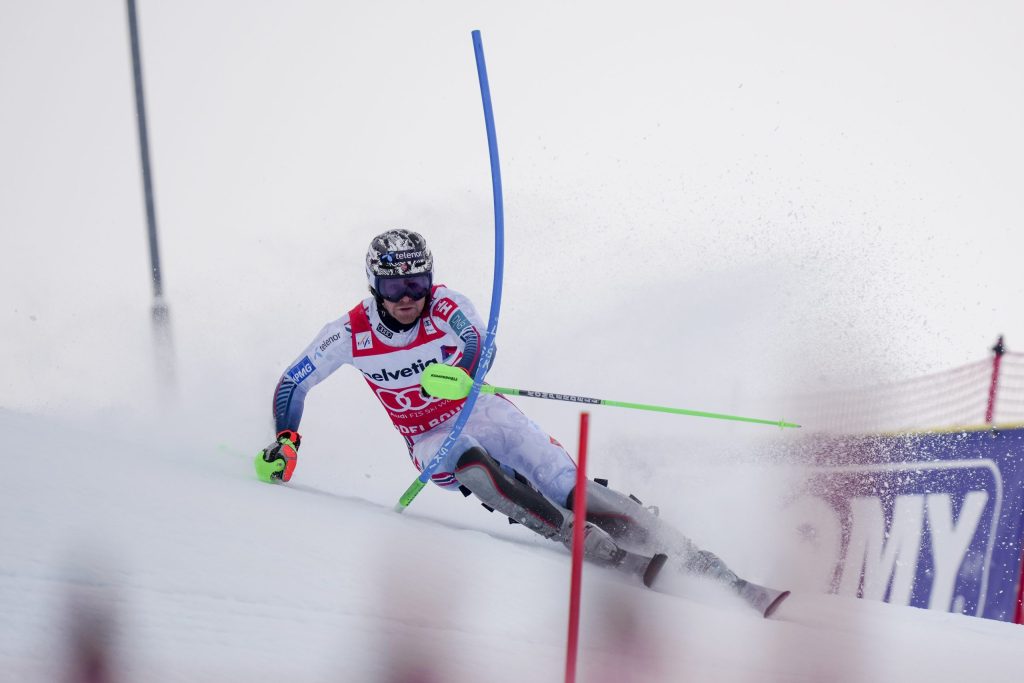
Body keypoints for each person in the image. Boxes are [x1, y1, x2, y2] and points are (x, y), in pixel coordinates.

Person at [256, 229, 788, 615]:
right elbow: (293, 382)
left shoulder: (445, 305)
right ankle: (586, 543)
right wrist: (287, 440)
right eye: (394, 289)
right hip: (428, 435)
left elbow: (478, 342)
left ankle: (715, 571)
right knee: (474, 468)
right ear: (375, 287)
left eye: (416, 283)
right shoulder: (349, 332)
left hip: (481, 409)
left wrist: (465, 373)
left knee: (570, 485)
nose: (408, 298)